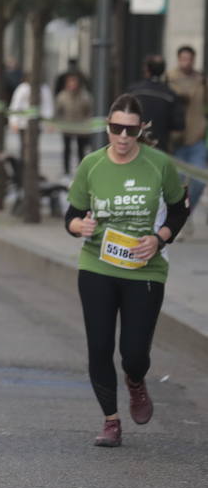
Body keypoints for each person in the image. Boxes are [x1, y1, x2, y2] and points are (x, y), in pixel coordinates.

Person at [65, 95, 188, 447]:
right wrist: (79, 228)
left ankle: (136, 380)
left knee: (134, 352)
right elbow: (71, 215)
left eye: (130, 130)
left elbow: (179, 211)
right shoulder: (91, 165)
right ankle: (111, 421)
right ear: (107, 127)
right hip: (97, 265)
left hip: (144, 270)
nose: (122, 136)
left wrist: (159, 239)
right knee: (100, 346)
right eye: (116, 128)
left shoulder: (158, 165)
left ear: (141, 129)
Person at [167, 45, 205, 224]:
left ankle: (187, 212)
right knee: (179, 183)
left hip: (196, 137)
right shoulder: (170, 79)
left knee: (199, 180)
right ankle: (180, 217)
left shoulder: (201, 80)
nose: (186, 63)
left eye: (189, 59)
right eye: (183, 59)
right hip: (176, 139)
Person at [125, 55, 183, 151]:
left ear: (146, 69)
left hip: (134, 143)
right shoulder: (170, 95)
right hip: (159, 147)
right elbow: (179, 125)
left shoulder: (133, 91)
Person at [54, 72, 94, 176]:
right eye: (70, 82)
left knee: (81, 149)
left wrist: (87, 124)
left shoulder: (85, 96)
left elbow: (89, 111)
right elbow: (58, 111)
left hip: (80, 128)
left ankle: (81, 170)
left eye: (74, 82)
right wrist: (57, 122)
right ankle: (66, 170)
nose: (73, 85)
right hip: (67, 127)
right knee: (67, 149)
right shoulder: (62, 96)